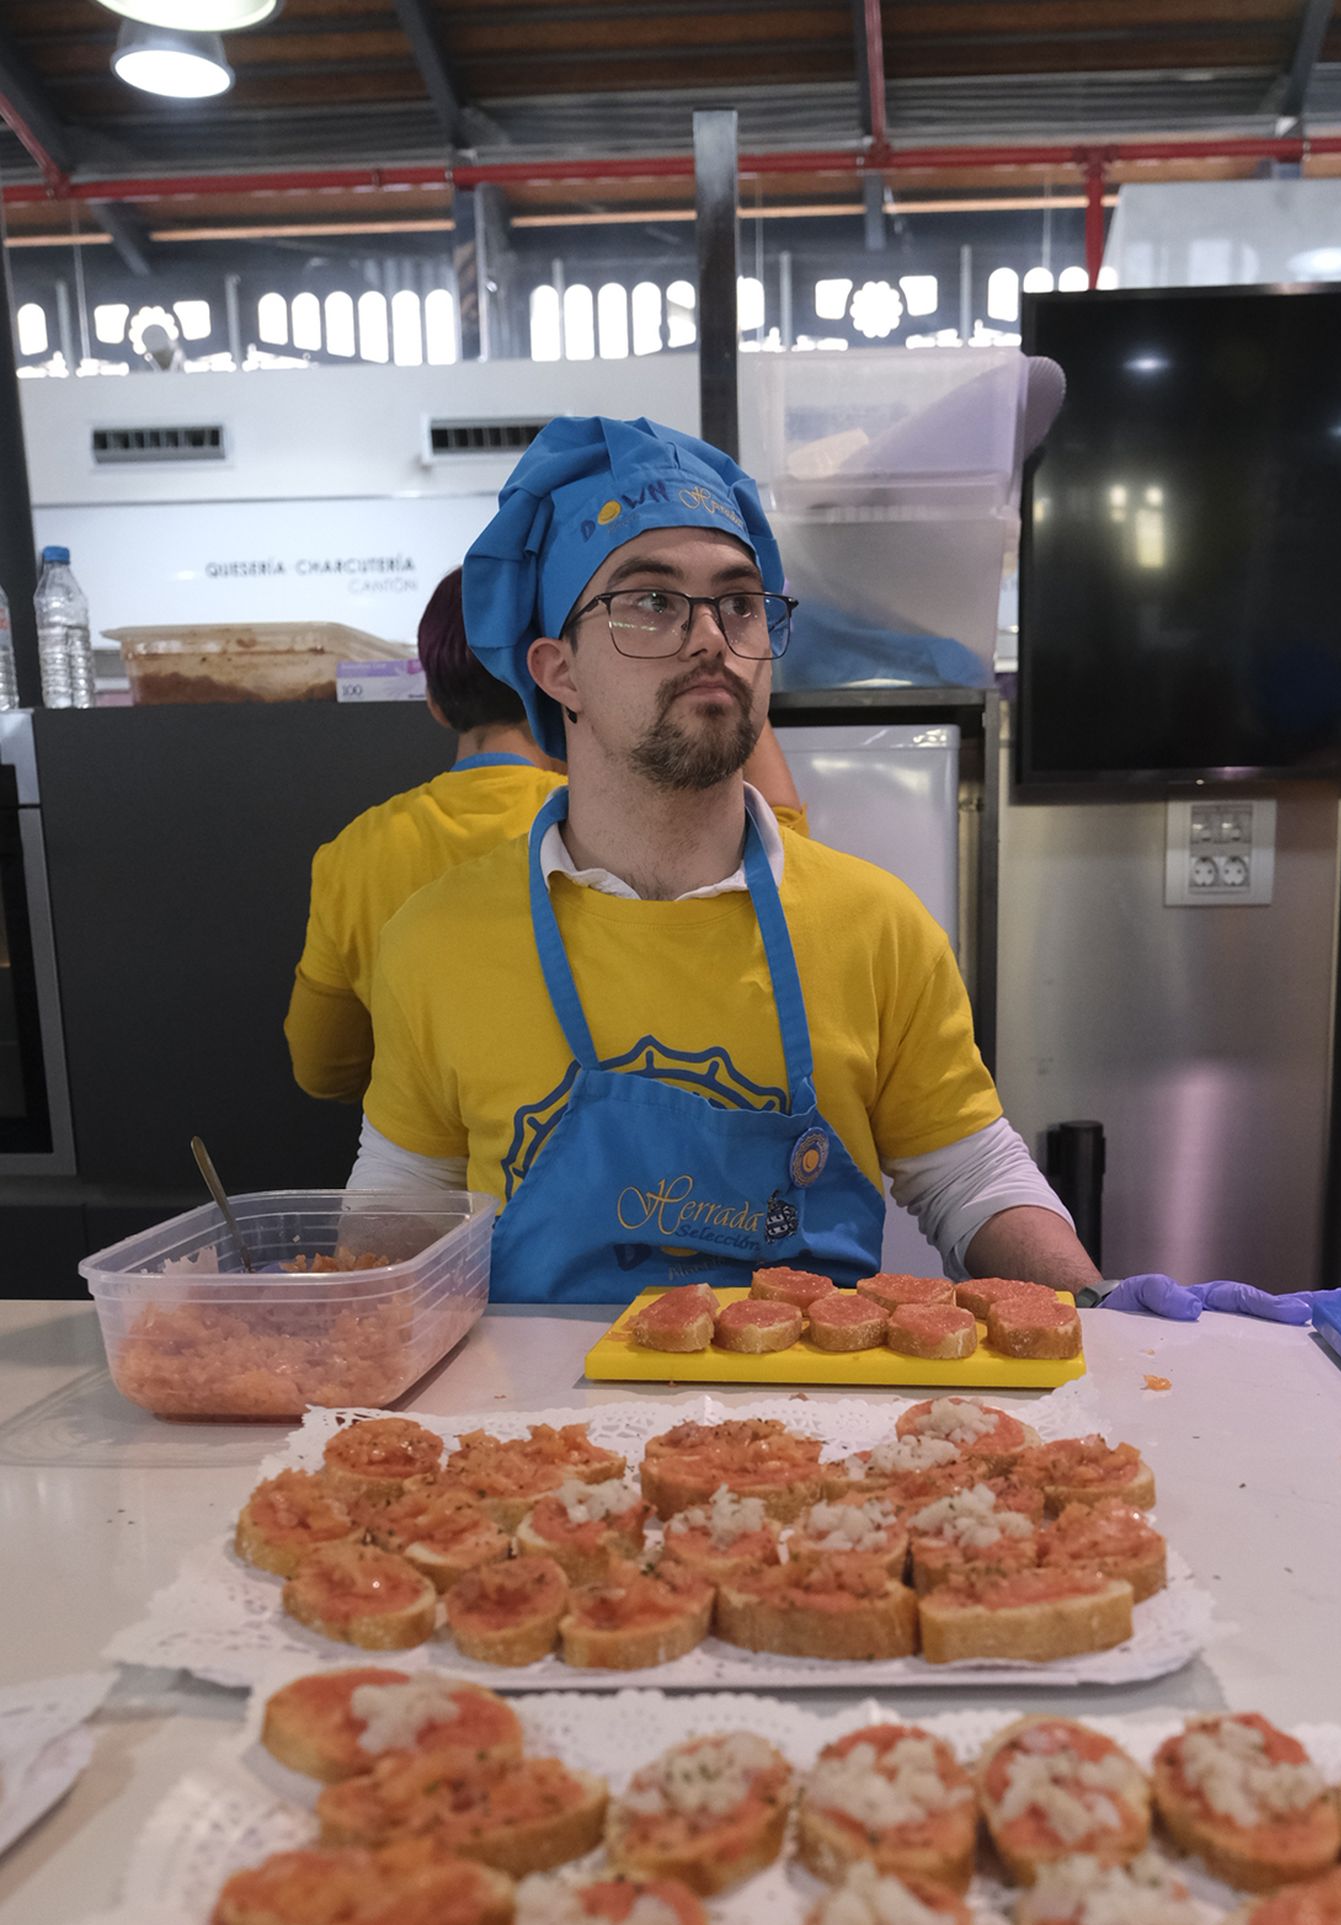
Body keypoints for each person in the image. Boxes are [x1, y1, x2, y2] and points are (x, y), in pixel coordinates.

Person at [352, 414, 1099, 1302]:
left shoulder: (878, 927)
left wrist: (1100, 1309)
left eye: (740, 603)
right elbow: (405, 1206)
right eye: (653, 601)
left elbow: (970, 1179)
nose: (711, 636)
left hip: (815, 1421)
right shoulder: (437, 939)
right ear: (558, 670)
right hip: (529, 1429)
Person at [286, 562, 809, 1108]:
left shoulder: (354, 854)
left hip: (436, 1177)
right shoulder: (605, 830)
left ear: (436, 704)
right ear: (561, 676)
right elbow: (782, 857)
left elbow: (323, 1068)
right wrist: (728, 669)